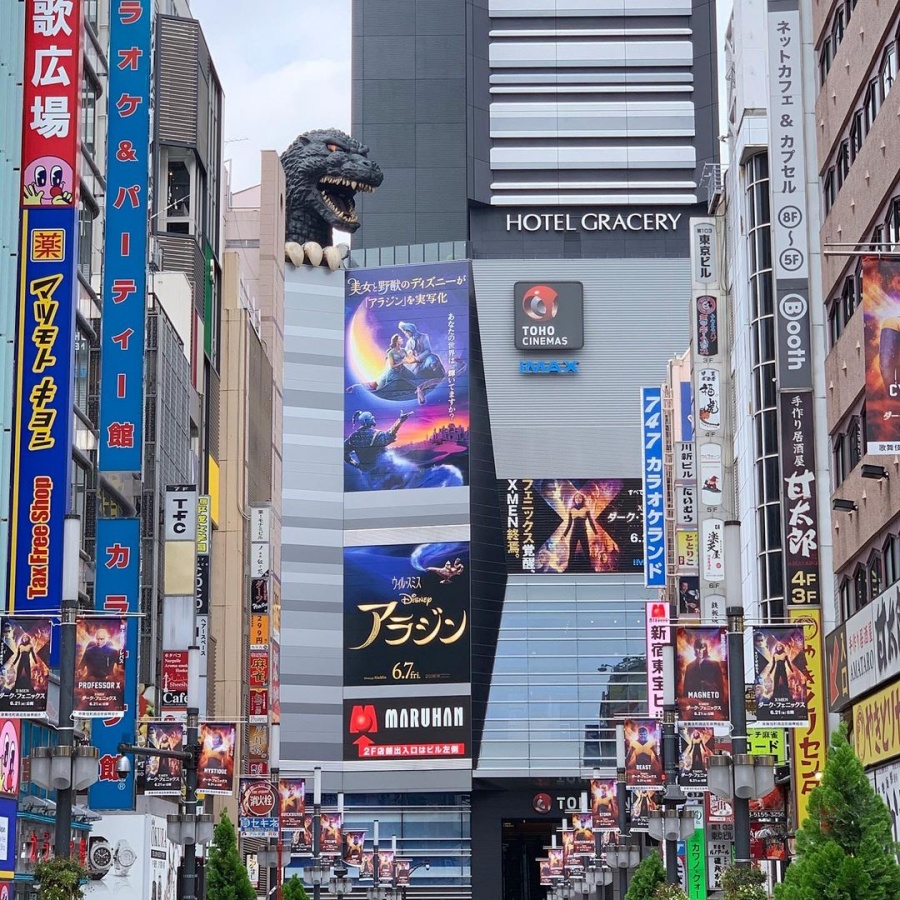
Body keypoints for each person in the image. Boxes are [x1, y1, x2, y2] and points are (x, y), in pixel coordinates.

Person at [346, 334, 420, 401]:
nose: (402, 339)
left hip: (403, 370)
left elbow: (408, 360)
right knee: (379, 387)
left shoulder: (403, 350)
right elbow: (392, 366)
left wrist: (416, 359)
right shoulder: (391, 353)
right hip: (394, 372)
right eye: (400, 338)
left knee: (414, 379)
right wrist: (402, 362)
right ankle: (357, 386)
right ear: (396, 341)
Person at [399, 321, 446, 403]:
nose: (405, 334)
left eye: (406, 332)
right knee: (415, 375)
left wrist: (417, 358)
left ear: (410, 331)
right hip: (418, 366)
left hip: (426, 359)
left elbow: (428, 351)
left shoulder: (424, 337)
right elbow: (405, 353)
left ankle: (441, 378)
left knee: (433, 360)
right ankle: (421, 391)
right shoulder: (409, 342)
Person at [682, 638, 726, 704]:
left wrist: (720, 702)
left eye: (702, 648)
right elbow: (686, 689)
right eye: (697, 648)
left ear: (706, 648)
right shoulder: (689, 667)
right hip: (694, 704)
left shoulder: (714, 665)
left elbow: (720, 686)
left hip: (712, 703)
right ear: (694, 649)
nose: (700, 651)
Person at [562, 492, 598, 569]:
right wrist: (564, 535)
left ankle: (589, 569)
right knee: (571, 552)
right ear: (574, 500)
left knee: (586, 552)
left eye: (580, 498)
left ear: (582, 499)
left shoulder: (586, 509)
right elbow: (569, 524)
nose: (578, 499)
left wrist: (596, 533)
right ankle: (569, 570)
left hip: (583, 532)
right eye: (576, 498)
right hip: (574, 533)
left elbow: (591, 521)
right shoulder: (571, 510)